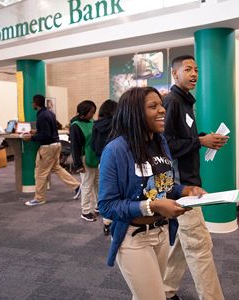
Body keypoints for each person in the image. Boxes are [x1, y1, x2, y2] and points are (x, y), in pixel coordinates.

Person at [98, 86, 206, 300]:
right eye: (153, 106)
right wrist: (152, 206)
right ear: (135, 112)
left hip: (162, 234)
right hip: (133, 238)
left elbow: (163, 185)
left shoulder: (160, 142)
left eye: (161, 104)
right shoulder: (115, 150)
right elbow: (107, 206)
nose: (162, 110)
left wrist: (184, 189)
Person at [163, 55, 227, 300]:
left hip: (190, 184)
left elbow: (182, 140)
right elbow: (166, 145)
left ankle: (165, 290)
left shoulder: (185, 102)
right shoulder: (172, 102)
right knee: (200, 247)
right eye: (188, 69)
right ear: (174, 73)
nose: (194, 74)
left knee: (184, 243)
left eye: (196, 69)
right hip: (181, 187)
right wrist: (200, 141)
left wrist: (203, 138)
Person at [22, 94, 81, 206]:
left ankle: (39, 198)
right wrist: (36, 132)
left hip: (47, 147)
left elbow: (45, 135)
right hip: (56, 144)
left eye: (32, 103)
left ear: (36, 103)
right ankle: (77, 186)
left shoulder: (41, 116)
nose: (32, 104)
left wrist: (31, 137)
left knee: (40, 173)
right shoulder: (50, 113)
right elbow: (50, 130)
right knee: (56, 168)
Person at [91, 99, 118, 235]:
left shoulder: (95, 125)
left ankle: (107, 222)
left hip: (103, 161)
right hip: (119, 162)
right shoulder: (118, 125)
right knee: (119, 192)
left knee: (106, 191)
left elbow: (93, 145)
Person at [70, 100, 99, 222]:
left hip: (95, 157)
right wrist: (78, 165)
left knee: (97, 183)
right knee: (87, 184)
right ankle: (86, 211)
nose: (93, 114)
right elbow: (75, 147)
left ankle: (98, 206)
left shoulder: (92, 122)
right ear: (83, 112)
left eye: (94, 112)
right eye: (91, 112)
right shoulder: (75, 126)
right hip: (84, 158)